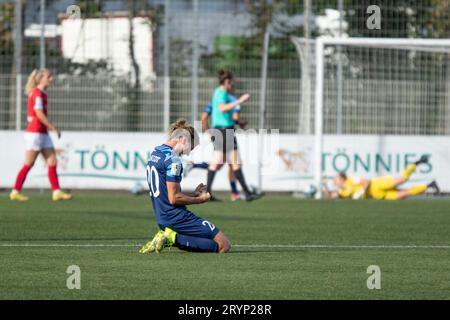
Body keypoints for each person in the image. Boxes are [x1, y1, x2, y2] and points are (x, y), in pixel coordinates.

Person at [140, 119, 231, 254]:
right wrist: (200, 200)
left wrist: (193, 194)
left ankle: (172, 236)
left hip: (162, 217)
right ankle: (172, 238)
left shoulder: (156, 153)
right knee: (223, 245)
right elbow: (174, 198)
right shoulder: (174, 161)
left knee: (213, 242)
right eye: (191, 147)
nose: (189, 152)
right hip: (176, 217)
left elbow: (168, 192)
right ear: (182, 139)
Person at [10, 69, 72, 202]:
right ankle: (15, 191)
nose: (51, 79)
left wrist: (48, 129)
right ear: (41, 79)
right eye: (49, 76)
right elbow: (39, 113)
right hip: (35, 134)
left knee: (52, 161)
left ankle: (56, 192)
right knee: (28, 164)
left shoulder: (42, 93)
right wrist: (53, 127)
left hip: (43, 133)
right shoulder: (37, 93)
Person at [205, 69, 262, 202]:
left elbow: (223, 112)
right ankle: (247, 193)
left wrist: (238, 122)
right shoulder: (221, 93)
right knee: (235, 162)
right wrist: (240, 100)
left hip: (222, 130)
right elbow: (222, 108)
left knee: (217, 162)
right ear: (226, 82)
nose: (233, 85)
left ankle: (207, 193)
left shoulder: (218, 92)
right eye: (231, 82)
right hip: (225, 131)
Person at [324, 155, 440, 200]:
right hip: (379, 195)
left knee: (402, 180)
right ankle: (429, 186)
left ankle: (416, 162)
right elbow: (331, 195)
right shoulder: (344, 192)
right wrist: (324, 187)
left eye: (336, 180)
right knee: (405, 194)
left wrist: (361, 191)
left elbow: (366, 181)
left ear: (342, 179)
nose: (335, 182)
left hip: (378, 184)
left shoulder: (351, 180)